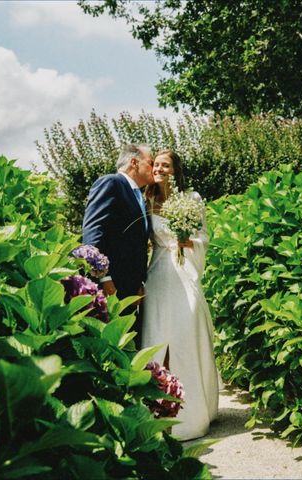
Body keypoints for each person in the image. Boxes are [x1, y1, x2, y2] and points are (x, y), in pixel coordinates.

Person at [141, 150, 219, 441]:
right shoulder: (145, 199)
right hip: (159, 272)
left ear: (175, 170)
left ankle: (192, 414)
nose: (160, 168)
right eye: (156, 164)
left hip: (183, 269)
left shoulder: (191, 198)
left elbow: (203, 237)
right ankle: (156, 410)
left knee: (186, 332)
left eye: (166, 164)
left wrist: (189, 241)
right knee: (158, 333)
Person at [82, 144, 154, 335]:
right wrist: (103, 278)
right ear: (133, 162)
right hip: (111, 285)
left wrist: (139, 283)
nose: (154, 168)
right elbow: (93, 232)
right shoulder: (111, 183)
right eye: (151, 163)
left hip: (130, 288)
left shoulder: (137, 195)